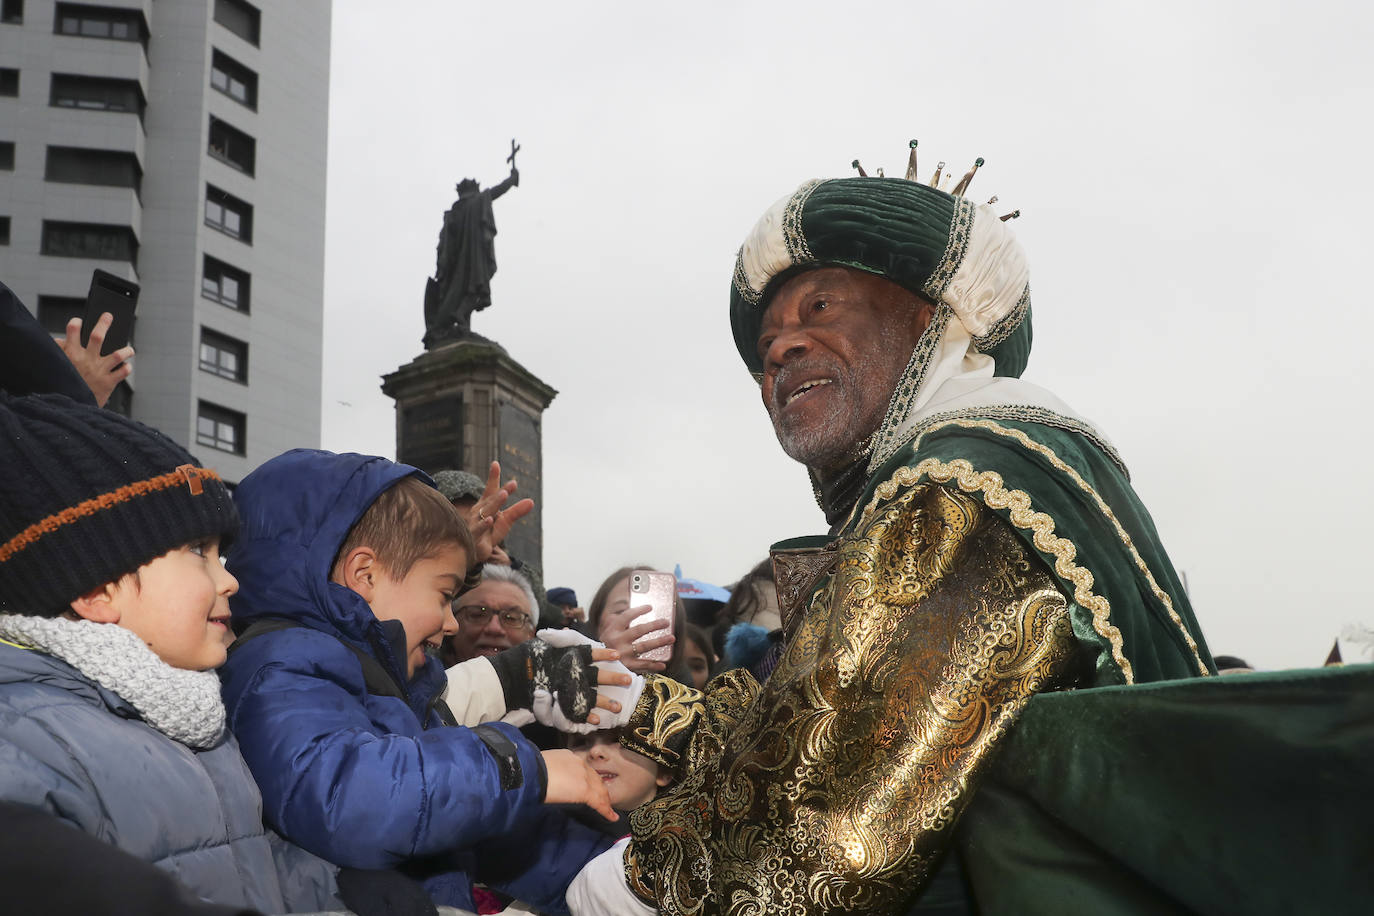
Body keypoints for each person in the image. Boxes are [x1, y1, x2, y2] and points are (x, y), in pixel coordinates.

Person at [568, 150, 1219, 915]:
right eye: (768, 339)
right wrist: (628, 699)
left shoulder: (958, 489)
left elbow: (820, 838)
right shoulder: (971, 467)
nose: (779, 349)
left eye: (820, 307)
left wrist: (617, 888)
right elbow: (795, 722)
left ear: (928, 318)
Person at [217, 449, 633, 914]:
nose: (450, 623)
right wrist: (517, 769)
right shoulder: (282, 666)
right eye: (443, 595)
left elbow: (476, 825)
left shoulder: (393, 686)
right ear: (365, 575)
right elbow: (352, 799)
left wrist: (619, 876)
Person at [0, 393, 340, 914]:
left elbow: (249, 863)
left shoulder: (187, 712)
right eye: (198, 551)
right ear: (97, 590)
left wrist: (348, 891)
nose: (228, 579)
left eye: (221, 553)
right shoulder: (27, 739)